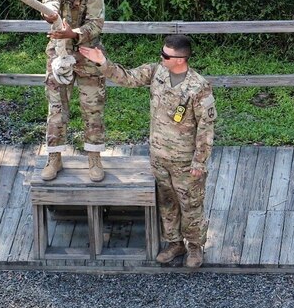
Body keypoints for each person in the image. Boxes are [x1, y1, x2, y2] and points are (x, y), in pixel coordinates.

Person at [79, 35, 216, 268]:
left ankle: (194, 246)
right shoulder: (156, 72)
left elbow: (206, 127)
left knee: (191, 203)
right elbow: (127, 78)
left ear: (180, 60)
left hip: (185, 160)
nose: (161, 58)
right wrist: (103, 62)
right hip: (159, 155)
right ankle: (174, 243)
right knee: (167, 201)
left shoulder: (198, 87)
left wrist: (199, 162)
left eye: (166, 55)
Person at [40, 0, 107, 182]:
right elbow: (48, 4)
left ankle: (94, 158)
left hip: (89, 55)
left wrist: (73, 33)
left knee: (92, 107)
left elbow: (96, 25)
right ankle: (54, 158)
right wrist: (51, 15)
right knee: (57, 108)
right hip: (59, 54)